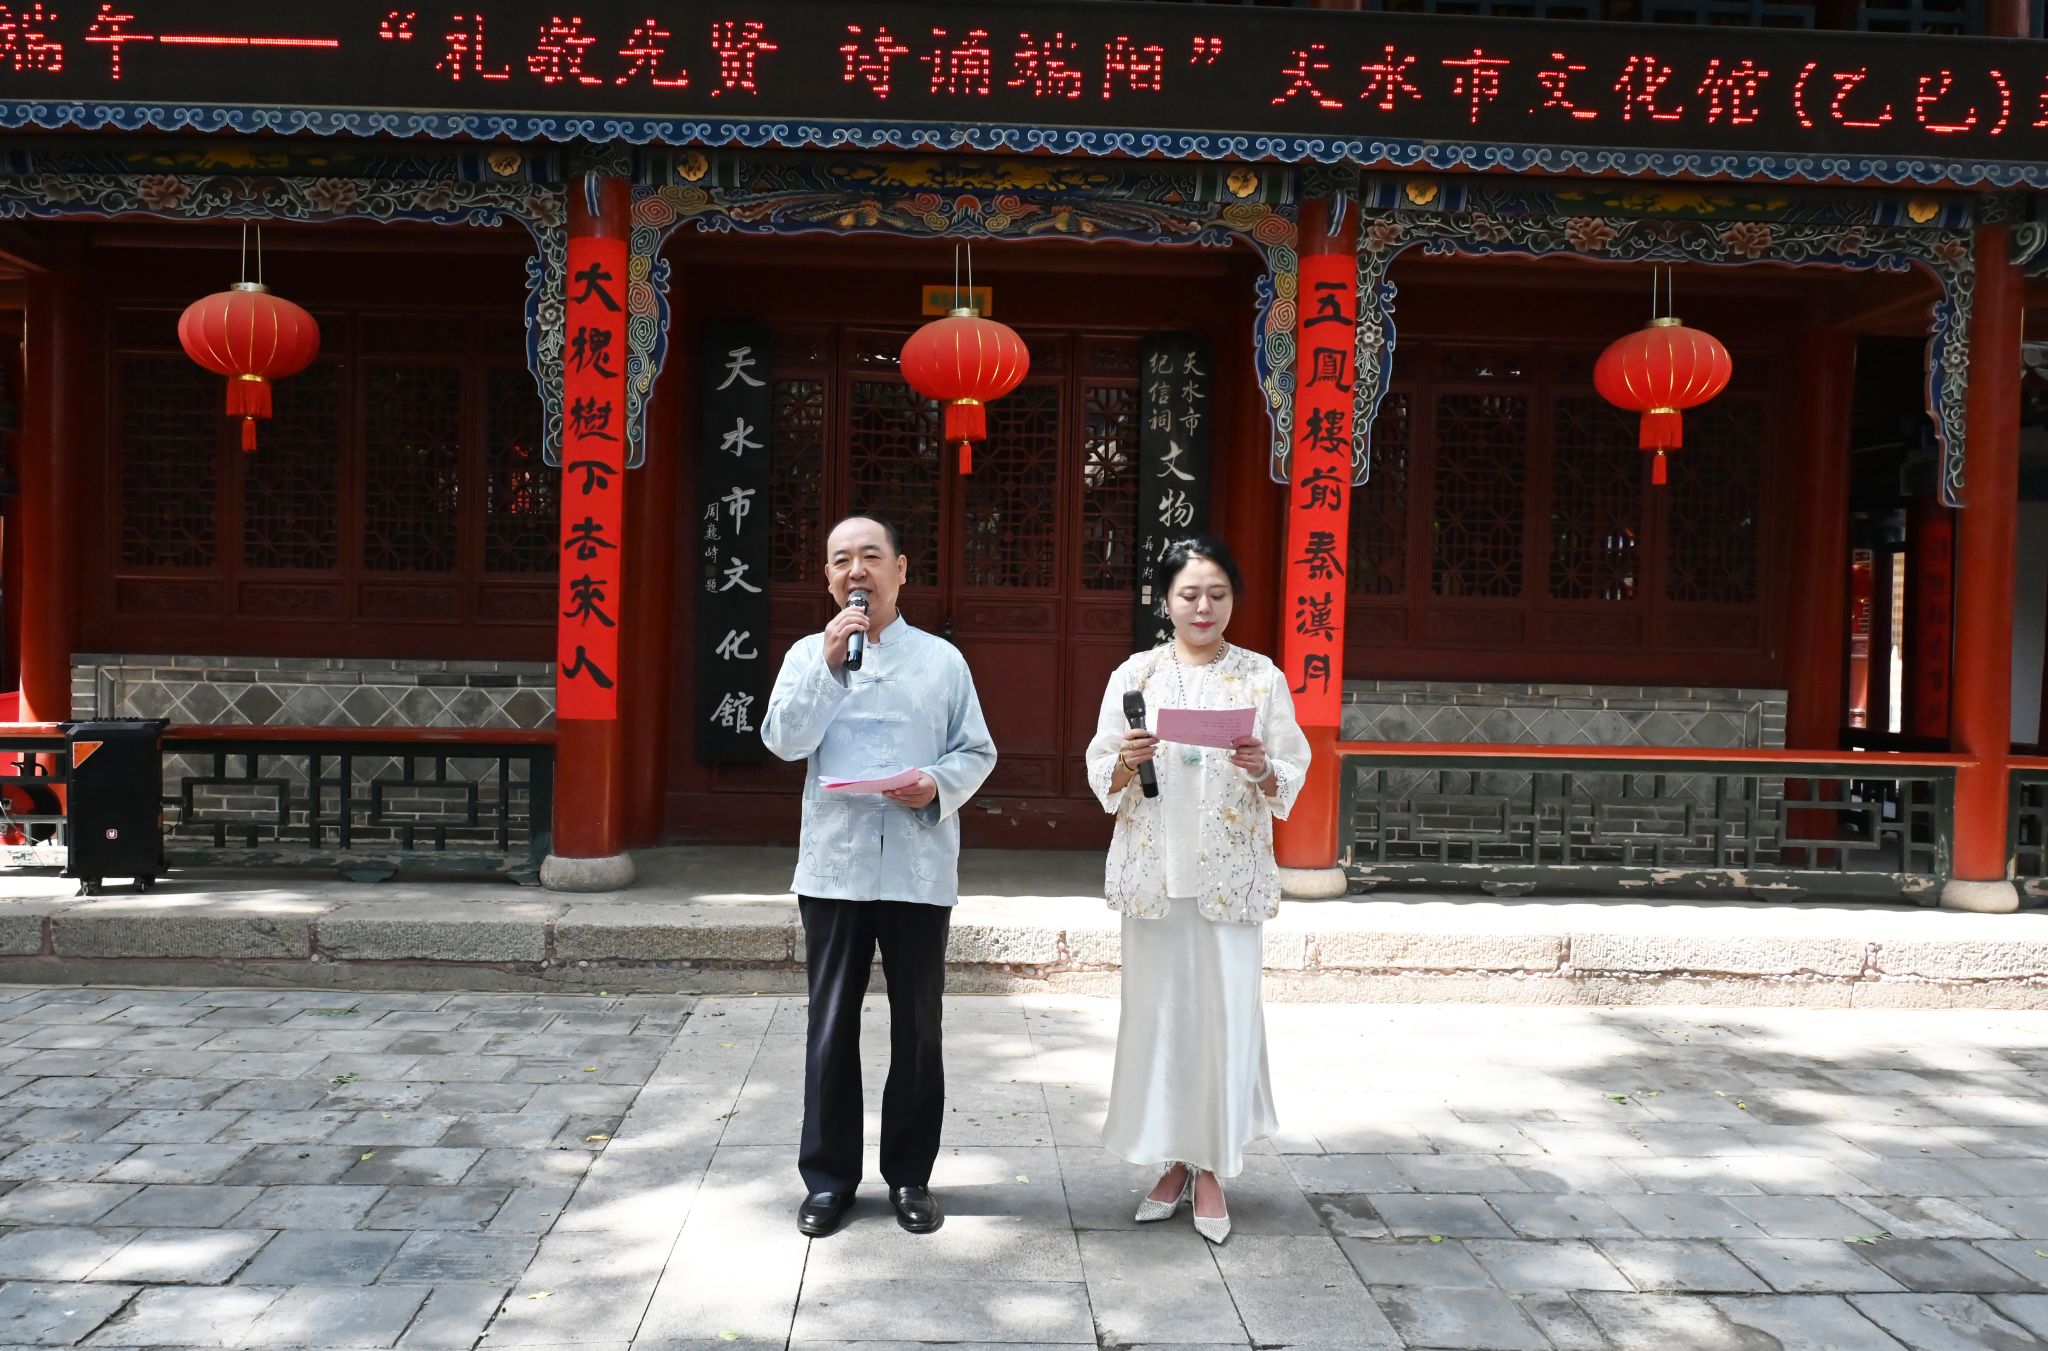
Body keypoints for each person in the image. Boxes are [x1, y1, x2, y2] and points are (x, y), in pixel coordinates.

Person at [760, 515, 997, 1239]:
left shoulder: (943, 661)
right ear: (828, 579)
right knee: (830, 1024)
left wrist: (935, 784)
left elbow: (977, 751)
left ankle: (910, 1176)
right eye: (841, 560)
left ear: (901, 569)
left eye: (870, 556)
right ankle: (829, 1179)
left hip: (917, 867)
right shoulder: (808, 654)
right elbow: (783, 740)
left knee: (918, 1026)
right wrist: (830, 668)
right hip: (835, 867)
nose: (856, 570)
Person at [1084, 535, 1311, 1245]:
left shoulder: (1260, 677)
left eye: (1217, 593)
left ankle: (1211, 1165)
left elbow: (1291, 772)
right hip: (1155, 875)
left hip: (1228, 879)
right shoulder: (1136, 675)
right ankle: (1174, 1159)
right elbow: (1099, 770)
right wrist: (1126, 761)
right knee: (1162, 1022)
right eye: (1189, 594)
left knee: (1222, 1020)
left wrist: (1261, 764)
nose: (1203, 606)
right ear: (1166, 601)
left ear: (1233, 599)